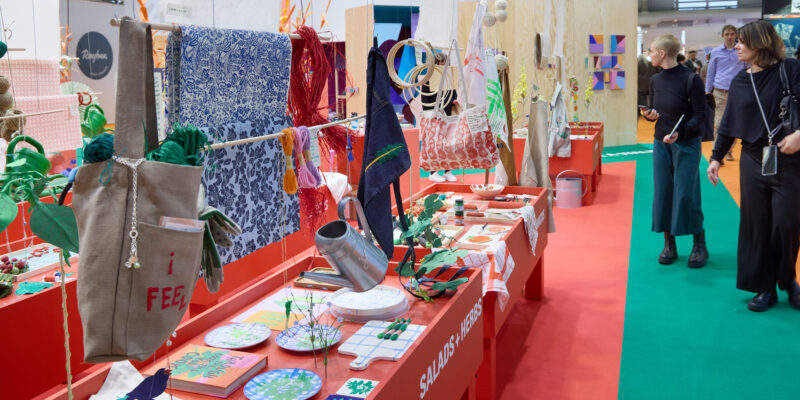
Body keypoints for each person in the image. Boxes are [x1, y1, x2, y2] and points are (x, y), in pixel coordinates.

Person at [707, 20, 800, 312]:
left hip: (789, 159)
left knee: (786, 224)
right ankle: (765, 287)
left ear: (760, 43)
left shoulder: (790, 70)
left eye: (742, 41)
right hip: (752, 159)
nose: (736, 46)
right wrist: (716, 157)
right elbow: (728, 123)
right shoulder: (739, 80)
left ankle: (788, 279)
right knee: (756, 225)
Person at [643, 34, 709, 268]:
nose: (649, 55)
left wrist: (683, 132)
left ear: (662, 53)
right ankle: (669, 243)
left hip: (687, 144)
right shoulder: (655, 80)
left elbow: (700, 114)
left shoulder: (691, 79)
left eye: (652, 51)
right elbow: (656, 109)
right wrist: (650, 115)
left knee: (686, 193)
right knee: (663, 191)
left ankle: (699, 244)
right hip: (661, 143)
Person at [706, 25, 745, 162]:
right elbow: (710, 73)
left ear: (736, 36)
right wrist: (707, 92)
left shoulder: (741, 51)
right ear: (722, 36)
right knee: (718, 123)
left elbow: (747, 70)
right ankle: (717, 154)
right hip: (719, 93)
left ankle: (729, 150)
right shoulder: (715, 52)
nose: (729, 37)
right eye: (727, 34)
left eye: (732, 34)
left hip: (738, 93)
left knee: (735, 123)